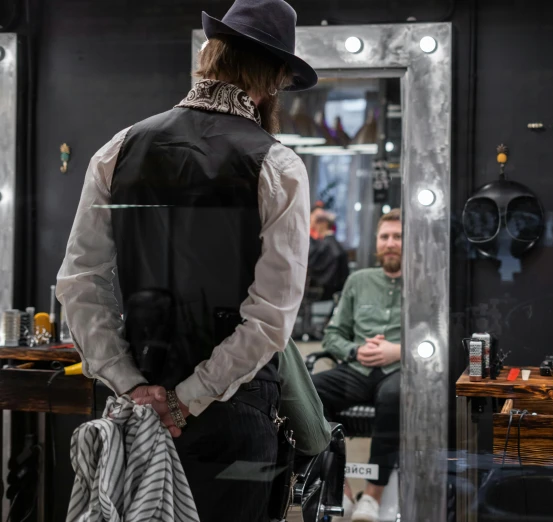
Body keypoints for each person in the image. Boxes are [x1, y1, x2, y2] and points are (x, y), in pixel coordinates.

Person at [55, 1, 318, 520]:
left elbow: (81, 281)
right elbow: (269, 319)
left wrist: (130, 384)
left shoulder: (120, 148)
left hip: (134, 403)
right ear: (272, 82)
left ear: (208, 58)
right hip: (231, 416)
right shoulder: (277, 165)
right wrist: (186, 400)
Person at [312, 208, 403, 522]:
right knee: (311, 391)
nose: (390, 243)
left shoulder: (425, 285)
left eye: (398, 236)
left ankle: (373, 497)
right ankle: (344, 490)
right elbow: (332, 336)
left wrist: (400, 350)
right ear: (377, 242)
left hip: (398, 372)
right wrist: (354, 350)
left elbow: (438, 337)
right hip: (358, 369)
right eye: (385, 236)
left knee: (394, 397)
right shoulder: (358, 281)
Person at [308, 208, 350, 300]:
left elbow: (309, 264)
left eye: (314, 222)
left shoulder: (325, 247)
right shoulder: (335, 246)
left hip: (324, 290)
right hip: (335, 290)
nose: (312, 225)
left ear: (323, 224)